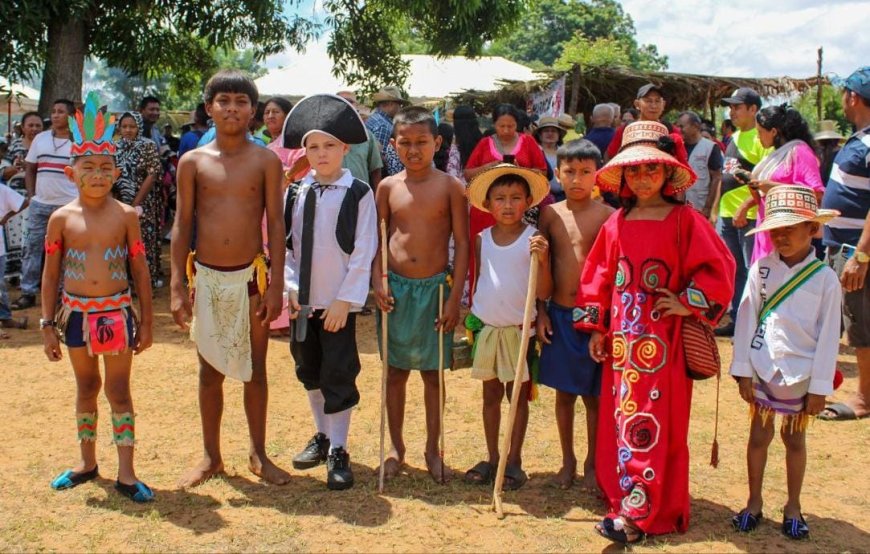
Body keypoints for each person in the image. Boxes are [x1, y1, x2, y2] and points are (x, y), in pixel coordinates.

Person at [576, 121, 735, 544]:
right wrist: (596, 328)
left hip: (666, 344)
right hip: (623, 345)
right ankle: (627, 497)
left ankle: (640, 510)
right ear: (623, 177)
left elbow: (720, 270)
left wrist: (689, 302)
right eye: (633, 170)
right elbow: (599, 277)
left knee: (655, 420)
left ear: (668, 173)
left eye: (651, 169)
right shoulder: (618, 222)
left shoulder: (686, 221)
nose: (642, 178)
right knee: (624, 417)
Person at [170, 70, 289, 488]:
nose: (232, 108)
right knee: (210, 372)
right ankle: (211, 456)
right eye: (224, 101)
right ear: (209, 108)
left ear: (253, 110)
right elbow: (182, 225)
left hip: (253, 278)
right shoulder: (192, 162)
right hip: (207, 277)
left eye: (241, 101)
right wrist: (176, 286)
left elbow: (275, 222)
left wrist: (275, 284)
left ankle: (258, 453)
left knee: (256, 370)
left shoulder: (266, 161)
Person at [41, 91, 155, 502]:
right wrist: (46, 325)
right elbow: (51, 274)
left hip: (115, 315)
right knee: (86, 387)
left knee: (119, 391)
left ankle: (127, 473)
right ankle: (87, 462)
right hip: (74, 316)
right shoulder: (60, 220)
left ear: (115, 172)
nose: (98, 175)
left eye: (106, 167)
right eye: (88, 167)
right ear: (72, 174)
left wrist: (146, 320)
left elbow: (139, 268)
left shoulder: (125, 216)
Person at [729, 186, 840, 539]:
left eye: (790, 228)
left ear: (812, 228)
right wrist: (743, 369)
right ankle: (753, 501)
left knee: (794, 441)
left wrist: (820, 387)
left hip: (800, 373)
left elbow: (827, 337)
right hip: (763, 366)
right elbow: (747, 318)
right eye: (775, 229)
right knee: (758, 436)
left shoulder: (825, 279)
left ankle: (793, 505)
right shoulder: (761, 269)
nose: (781, 236)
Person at [283, 94, 377, 490]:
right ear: (304, 151)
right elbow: (289, 246)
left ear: (345, 148)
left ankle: (340, 447)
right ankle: (321, 436)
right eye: (313, 146)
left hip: (338, 302)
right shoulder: (296, 192)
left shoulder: (358, 192)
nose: (321, 154)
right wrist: (291, 288)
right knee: (310, 370)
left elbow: (363, 248)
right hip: (304, 302)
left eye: (329, 146)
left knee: (338, 373)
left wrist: (344, 300)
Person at [370, 106, 468, 482]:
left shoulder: (451, 186)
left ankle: (433, 448)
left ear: (437, 143)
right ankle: (396, 447)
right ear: (393, 144)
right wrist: (377, 280)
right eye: (405, 143)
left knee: (432, 376)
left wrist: (454, 296)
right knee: (394, 373)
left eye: (421, 142)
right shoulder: (388, 187)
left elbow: (462, 243)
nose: (413, 150)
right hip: (396, 289)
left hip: (434, 291)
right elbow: (379, 239)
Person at [461, 164, 549, 491]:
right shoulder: (482, 239)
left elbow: (544, 288)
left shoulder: (534, 239)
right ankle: (492, 457)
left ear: (527, 201)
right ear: (488, 203)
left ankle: (514, 461)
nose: (508, 205)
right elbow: (481, 277)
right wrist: (472, 314)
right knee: (490, 395)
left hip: (519, 329)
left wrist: (543, 256)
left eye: (515, 198)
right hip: (488, 328)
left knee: (517, 397)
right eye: (500, 198)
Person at [535, 139, 613, 490]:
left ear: (598, 174)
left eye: (585, 172)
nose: (577, 179)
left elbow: (612, 273)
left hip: (595, 320)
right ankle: (567, 460)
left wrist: (605, 322)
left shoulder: (609, 216)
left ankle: (593, 463)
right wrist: (541, 311)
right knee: (564, 395)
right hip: (560, 314)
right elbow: (542, 264)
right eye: (570, 172)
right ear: (557, 173)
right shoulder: (550, 214)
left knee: (594, 398)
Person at [818, 66, 870, 421]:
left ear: (852, 97)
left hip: (856, 248)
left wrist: (861, 255)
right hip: (846, 245)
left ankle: (864, 398)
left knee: (859, 321)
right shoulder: (860, 138)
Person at [464, 104, 549, 299]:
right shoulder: (485, 143)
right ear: (494, 124)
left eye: (510, 126)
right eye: (502, 126)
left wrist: (522, 170)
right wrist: (492, 166)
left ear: (517, 125)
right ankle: (481, 299)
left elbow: (543, 172)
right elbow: (468, 173)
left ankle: (517, 297)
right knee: (483, 256)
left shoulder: (528, 142)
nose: (506, 130)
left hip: (518, 210)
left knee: (517, 255)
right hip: (485, 212)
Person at [714, 87, 772, 337]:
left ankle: (756, 323)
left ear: (753, 109)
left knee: (754, 270)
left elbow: (765, 179)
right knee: (734, 270)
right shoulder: (734, 137)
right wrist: (716, 209)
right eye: (731, 107)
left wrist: (746, 206)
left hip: (749, 217)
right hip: (727, 215)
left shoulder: (763, 139)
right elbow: (724, 177)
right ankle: (738, 318)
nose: (732, 112)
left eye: (738, 107)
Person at [12, 99, 75, 310]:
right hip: (40, 205)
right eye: (54, 111)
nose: (56, 115)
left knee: (67, 251)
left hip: (68, 206)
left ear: (71, 116)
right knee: (32, 248)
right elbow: (30, 168)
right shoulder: (40, 139)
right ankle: (28, 292)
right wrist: (32, 196)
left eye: (61, 112)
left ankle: (63, 294)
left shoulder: (79, 142)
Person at [745, 105, 824, 264]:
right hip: (768, 227)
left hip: (788, 233)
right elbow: (764, 198)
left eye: (760, 132)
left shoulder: (800, 151)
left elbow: (816, 193)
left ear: (773, 132)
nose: (758, 137)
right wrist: (756, 187)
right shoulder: (779, 155)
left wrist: (772, 188)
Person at [113, 111, 164, 288]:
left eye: (132, 126)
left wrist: (136, 203)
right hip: (118, 203)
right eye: (124, 126)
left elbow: (152, 174)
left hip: (144, 203)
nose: (128, 130)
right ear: (119, 128)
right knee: (119, 240)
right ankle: (121, 282)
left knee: (142, 242)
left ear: (139, 128)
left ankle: (143, 283)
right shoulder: (114, 147)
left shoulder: (147, 145)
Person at [675, 111, 723, 218]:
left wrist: (708, 207)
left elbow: (716, 178)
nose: (679, 130)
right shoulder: (678, 148)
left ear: (696, 126)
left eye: (682, 126)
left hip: (701, 207)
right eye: (678, 126)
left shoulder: (710, 147)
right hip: (681, 208)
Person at [605, 84, 668, 161]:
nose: (653, 106)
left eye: (657, 101)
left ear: (663, 105)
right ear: (637, 104)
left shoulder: (670, 130)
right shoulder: (626, 130)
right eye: (648, 101)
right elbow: (610, 155)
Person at [336, 90, 384, 188]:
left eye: (350, 101)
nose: (346, 104)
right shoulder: (325, 135)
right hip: (332, 196)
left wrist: (376, 198)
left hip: (360, 196)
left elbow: (375, 170)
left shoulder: (367, 135)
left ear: (356, 107)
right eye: (341, 100)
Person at [0, 180, 27, 335]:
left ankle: (5, 317)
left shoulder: (2, 190)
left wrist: (6, 217)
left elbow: (24, 202)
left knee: (0, 286)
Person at [366, 86, 409, 177]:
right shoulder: (383, 126)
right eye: (399, 105)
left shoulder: (374, 118)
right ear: (390, 104)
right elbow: (381, 161)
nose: (400, 109)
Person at [445, 105, 482, 185]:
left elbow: (452, 179)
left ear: (456, 124)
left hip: (461, 194)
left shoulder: (455, 151)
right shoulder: (484, 144)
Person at [3, 111, 42, 183]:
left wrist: (28, 167)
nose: (34, 129)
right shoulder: (15, 145)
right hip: (15, 191)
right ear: (23, 128)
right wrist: (15, 168)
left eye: (38, 125)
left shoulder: (48, 146)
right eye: (31, 125)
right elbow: (3, 171)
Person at [534, 117, 568, 201]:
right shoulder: (535, 151)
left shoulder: (566, 152)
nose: (550, 134)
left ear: (558, 135)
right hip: (542, 198)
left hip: (565, 196)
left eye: (553, 131)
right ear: (540, 135)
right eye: (546, 131)